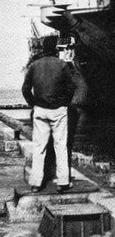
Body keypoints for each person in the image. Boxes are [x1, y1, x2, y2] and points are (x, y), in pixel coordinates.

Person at [22, 36, 87, 193]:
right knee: (61, 146)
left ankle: (36, 184)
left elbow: (25, 89)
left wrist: (34, 104)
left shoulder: (34, 65)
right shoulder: (62, 65)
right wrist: (64, 102)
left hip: (40, 110)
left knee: (39, 147)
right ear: (56, 49)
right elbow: (70, 87)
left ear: (43, 49)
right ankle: (63, 182)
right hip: (58, 110)